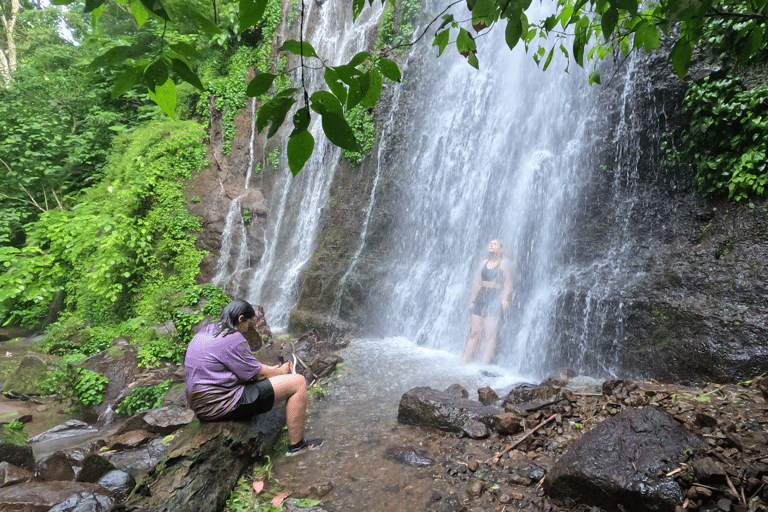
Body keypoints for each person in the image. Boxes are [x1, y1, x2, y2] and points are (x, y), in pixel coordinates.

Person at [184, 299, 322, 455]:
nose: (250, 331)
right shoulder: (233, 337)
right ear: (241, 319)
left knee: (273, 375)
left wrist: (272, 369)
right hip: (220, 404)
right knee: (298, 382)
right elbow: (259, 374)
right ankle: (298, 447)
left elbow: (242, 368)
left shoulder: (207, 331)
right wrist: (283, 371)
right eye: (250, 325)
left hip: (199, 405)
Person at [462, 239, 513, 364]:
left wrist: (505, 299)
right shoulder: (483, 262)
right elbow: (478, 283)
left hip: (495, 297)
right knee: (474, 332)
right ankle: (464, 361)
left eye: (495, 244)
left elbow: (508, 282)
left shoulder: (504, 263)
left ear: (501, 250)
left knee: (489, 335)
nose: (491, 245)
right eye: (490, 243)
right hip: (481, 296)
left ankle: (483, 365)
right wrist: (473, 301)